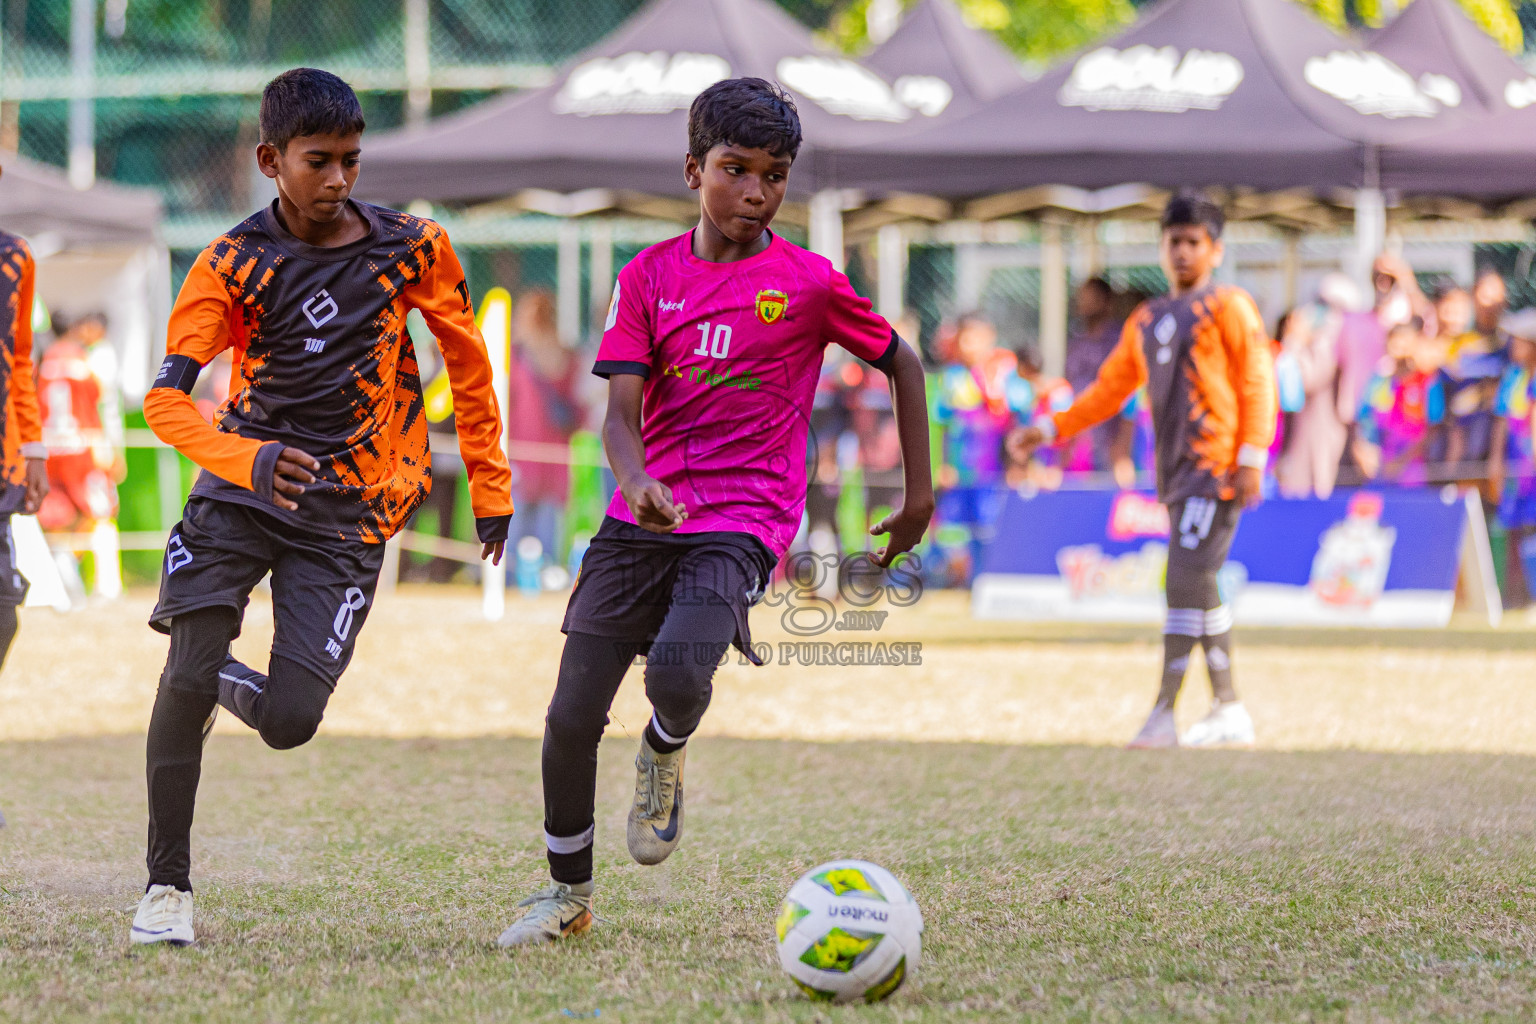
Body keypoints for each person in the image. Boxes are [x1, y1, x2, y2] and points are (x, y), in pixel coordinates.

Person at [496, 77, 933, 947]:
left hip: (742, 519)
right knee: (570, 716)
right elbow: (619, 419)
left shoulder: (808, 283)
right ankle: (566, 895)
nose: (756, 192)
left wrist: (919, 496)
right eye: (736, 169)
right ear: (694, 169)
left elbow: (904, 363)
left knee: (676, 674)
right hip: (641, 518)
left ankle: (664, 747)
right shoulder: (647, 278)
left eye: (774, 175)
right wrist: (637, 483)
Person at [131, 68, 514, 946]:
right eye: (319, 162)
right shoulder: (230, 263)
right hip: (240, 490)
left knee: (292, 722)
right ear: (271, 161)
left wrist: (489, 487)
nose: (339, 179)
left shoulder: (414, 247)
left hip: (349, 514)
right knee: (185, 676)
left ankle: (210, 672)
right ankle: (166, 888)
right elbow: (165, 403)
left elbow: (467, 364)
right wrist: (250, 459)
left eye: (351, 160)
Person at [1010, 190, 1275, 749]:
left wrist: (1253, 456)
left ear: (1216, 250)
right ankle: (1228, 708)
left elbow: (1257, 383)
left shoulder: (1229, 306)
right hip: (1174, 473)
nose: (1182, 252)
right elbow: (1108, 391)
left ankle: (1162, 714)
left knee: (1182, 578)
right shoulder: (1148, 318)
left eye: (1194, 242)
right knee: (1198, 582)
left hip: (1216, 468)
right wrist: (1051, 428)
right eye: (1174, 241)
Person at [0, 174, 52, 829]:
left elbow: (17, 360)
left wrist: (33, 448)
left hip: (2, 464)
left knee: (4, 611)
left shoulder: (14, 257)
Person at [37, 316, 123, 598]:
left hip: (50, 447)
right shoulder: (85, 360)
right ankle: (106, 586)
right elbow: (104, 403)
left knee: (56, 517)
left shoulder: (44, 360)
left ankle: (64, 578)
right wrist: (111, 447)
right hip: (83, 445)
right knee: (100, 512)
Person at [933, 312, 1022, 582]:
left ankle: (985, 580)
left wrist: (1015, 465)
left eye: (974, 338)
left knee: (988, 528)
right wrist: (944, 465)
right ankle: (955, 580)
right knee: (952, 530)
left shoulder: (1005, 376)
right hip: (959, 474)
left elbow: (1015, 424)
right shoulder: (952, 378)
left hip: (991, 474)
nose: (967, 345)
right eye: (963, 339)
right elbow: (944, 426)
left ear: (989, 338)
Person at [508, 288, 581, 573]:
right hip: (556, 449)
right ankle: (544, 575)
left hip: (522, 447)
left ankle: (511, 575)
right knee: (548, 527)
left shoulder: (517, 354)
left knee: (514, 522)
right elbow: (577, 404)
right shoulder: (567, 353)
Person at [1273, 275, 1355, 499]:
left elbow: (1305, 379)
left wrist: (1295, 341)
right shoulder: (1320, 338)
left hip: (1321, 432)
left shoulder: (1331, 338)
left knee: (1312, 492)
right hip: (1302, 429)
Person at [1353, 319, 1446, 487]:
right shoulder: (1379, 380)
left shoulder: (1427, 382)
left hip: (1414, 468)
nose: (1398, 344)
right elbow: (1364, 419)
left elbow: (1433, 429)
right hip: (1379, 466)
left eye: (1405, 339)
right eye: (1394, 339)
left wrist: (1401, 461)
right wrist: (1362, 449)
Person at [1487, 309, 1536, 609]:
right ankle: (1514, 597)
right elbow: (1501, 422)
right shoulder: (1513, 377)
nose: (1513, 345)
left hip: (1532, 471)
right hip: (1516, 470)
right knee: (1512, 530)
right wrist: (1495, 461)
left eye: (1519, 340)